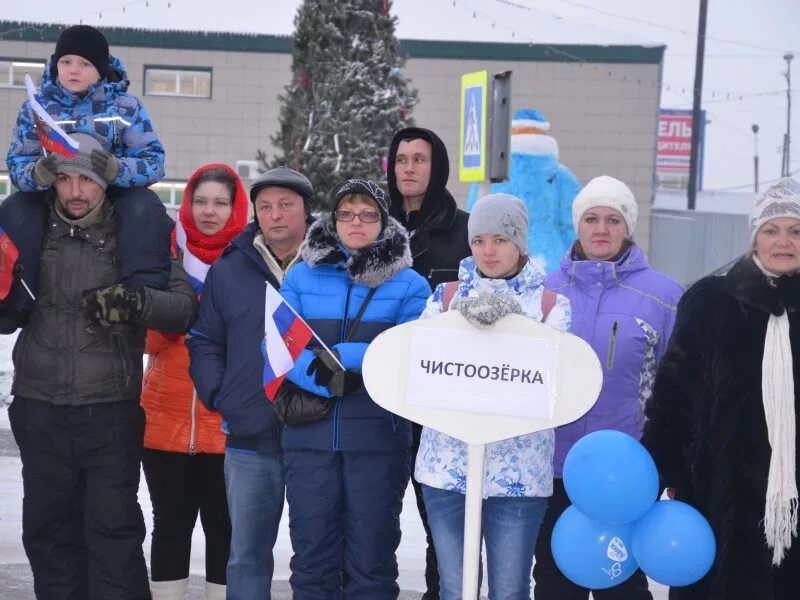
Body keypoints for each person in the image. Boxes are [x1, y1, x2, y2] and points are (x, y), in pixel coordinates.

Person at [4, 139, 197, 600]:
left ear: (105, 184)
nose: (75, 190)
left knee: (113, 533)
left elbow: (184, 306)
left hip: (108, 411)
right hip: (39, 407)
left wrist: (137, 301)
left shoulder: (135, 238)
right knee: (49, 533)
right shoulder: (32, 232)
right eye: (65, 178)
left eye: (87, 179)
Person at [641, 177, 800, 599]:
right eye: (771, 230)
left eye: (796, 230)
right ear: (754, 239)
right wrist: (665, 472)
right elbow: (673, 394)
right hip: (717, 494)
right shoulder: (713, 300)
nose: (783, 241)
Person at [414, 193, 571, 600]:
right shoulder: (444, 298)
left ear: (519, 243)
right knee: (455, 588)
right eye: (480, 239)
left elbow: (554, 384)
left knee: (509, 590)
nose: (488, 250)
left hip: (518, 476)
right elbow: (423, 370)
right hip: (446, 468)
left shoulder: (551, 306)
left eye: (500, 239)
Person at [278, 178, 430, 599]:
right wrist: (323, 378)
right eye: (346, 213)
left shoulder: (411, 285)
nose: (356, 222)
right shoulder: (301, 276)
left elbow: (410, 349)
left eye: (368, 214)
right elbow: (281, 344)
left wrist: (345, 357)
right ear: (333, 219)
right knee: (312, 561)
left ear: (384, 223)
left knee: (372, 562)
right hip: (310, 437)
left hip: (378, 439)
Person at [534, 175, 683, 599]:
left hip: (627, 468)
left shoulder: (664, 296)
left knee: (621, 580)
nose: (602, 229)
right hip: (554, 464)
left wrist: (673, 460)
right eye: (592, 219)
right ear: (577, 226)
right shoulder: (544, 290)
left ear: (628, 227)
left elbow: (680, 388)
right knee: (553, 579)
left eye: (613, 220)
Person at [187, 166, 315, 600]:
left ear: (306, 211)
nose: (275, 215)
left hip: (316, 435)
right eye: (265, 207)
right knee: (245, 555)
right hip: (248, 436)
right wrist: (219, 394)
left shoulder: (332, 266)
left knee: (316, 553)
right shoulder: (230, 268)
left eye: (286, 205)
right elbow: (204, 339)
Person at [1, 24, 169, 325]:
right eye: (66, 62)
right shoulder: (36, 108)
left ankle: (139, 294)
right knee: (15, 208)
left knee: (146, 207)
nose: (73, 70)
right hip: (55, 190)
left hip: (112, 189)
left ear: (101, 69)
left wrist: (118, 169)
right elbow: (16, 162)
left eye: (84, 63)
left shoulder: (125, 107)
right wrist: (37, 174)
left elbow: (153, 160)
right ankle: (17, 295)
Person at [141, 164, 249, 600]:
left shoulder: (248, 261)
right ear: (187, 204)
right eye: (200, 201)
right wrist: (166, 326)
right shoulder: (164, 254)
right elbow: (140, 336)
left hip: (226, 422)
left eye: (221, 203)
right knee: (169, 524)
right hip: (163, 418)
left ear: (235, 207)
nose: (209, 211)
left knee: (223, 526)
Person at [386, 126, 471, 598]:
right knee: (373, 516)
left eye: (419, 159)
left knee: (442, 519)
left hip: (440, 399)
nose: (409, 169)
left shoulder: (464, 231)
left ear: (437, 167)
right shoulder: (373, 225)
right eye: (401, 160)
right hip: (379, 391)